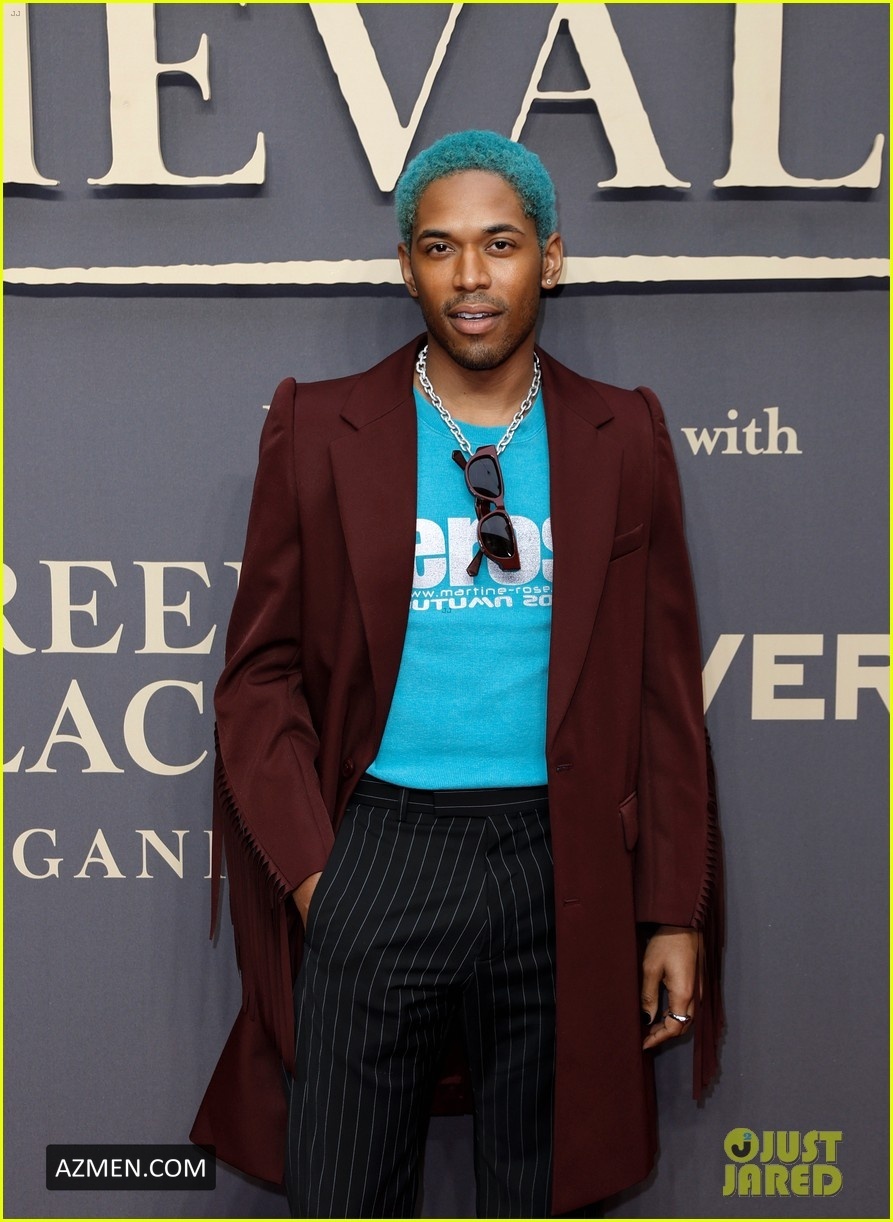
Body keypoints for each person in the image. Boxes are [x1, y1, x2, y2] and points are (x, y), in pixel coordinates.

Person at [191, 130, 723, 1218]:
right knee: (341, 1192)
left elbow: (664, 692)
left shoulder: (622, 431)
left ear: (550, 258)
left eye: (500, 244)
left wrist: (671, 909)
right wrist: (320, 881)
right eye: (439, 247)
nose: (470, 276)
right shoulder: (318, 426)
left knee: (540, 1190)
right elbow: (258, 679)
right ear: (406, 266)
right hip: (378, 849)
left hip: (562, 856)